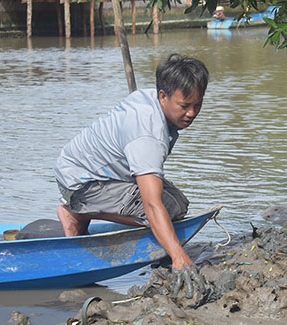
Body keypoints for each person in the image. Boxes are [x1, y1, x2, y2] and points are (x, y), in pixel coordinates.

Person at [54, 53, 209, 296]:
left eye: (197, 105)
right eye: (184, 106)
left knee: (179, 204)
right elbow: (151, 204)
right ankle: (76, 211)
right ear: (163, 96)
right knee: (165, 210)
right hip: (82, 183)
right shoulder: (148, 133)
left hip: (91, 170)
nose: (191, 113)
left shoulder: (150, 100)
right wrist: (179, 257)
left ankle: (83, 210)